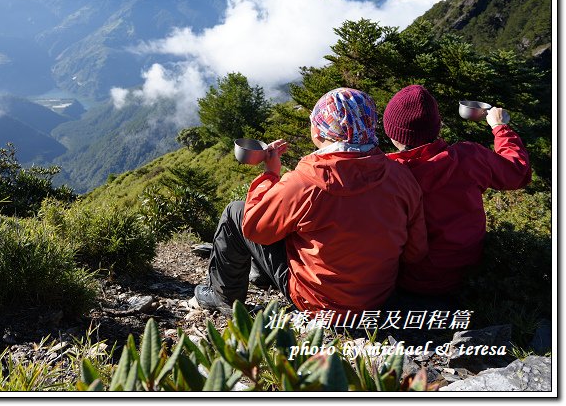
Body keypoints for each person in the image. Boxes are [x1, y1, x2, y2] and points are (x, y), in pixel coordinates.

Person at [194, 87, 428, 315]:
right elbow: (415, 252)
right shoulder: (401, 177)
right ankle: (260, 275)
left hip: (317, 300)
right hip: (377, 297)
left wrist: (270, 175)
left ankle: (223, 297)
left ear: (318, 132)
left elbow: (256, 230)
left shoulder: (303, 182)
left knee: (237, 212)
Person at [382, 84, 532, 297]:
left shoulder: (385, 173)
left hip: (408, 280)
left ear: (390, 132)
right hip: (467, 275)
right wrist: (500, 127)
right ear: (436, 127)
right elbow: (518, 172)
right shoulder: (468, 158)